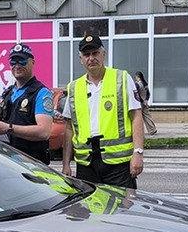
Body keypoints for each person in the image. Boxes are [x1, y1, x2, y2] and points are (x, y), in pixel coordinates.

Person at [60, 35, 145, 188]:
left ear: (103, 55)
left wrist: (138, 152)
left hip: (118, 164)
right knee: (90, 209)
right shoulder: (74, 87)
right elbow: (69, 128)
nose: (91, 58)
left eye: (95, 53)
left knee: (123, 208)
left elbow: (136, 116)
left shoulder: (122, 79)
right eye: (86, 55)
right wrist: (66, 163)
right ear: (81, 59)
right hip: (86, 164)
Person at [0, 43, 54, 164]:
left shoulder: (41, 93)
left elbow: (44, 132)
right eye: (13, 63)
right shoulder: (6, 94)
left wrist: (9, 128)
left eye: (22, 62)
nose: (17, 66)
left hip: (32, 165)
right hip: (4, 162)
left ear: (32, 63)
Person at [133, 71, 158, 136]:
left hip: (140, 103)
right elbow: (148, 93)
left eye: (136, 76)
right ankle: (153, 129)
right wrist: (146, 100)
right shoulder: (145, 84)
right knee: (147, 116)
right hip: (145, 102)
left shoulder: (138, 84)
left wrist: (142, 101)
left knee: (137, 117)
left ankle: (137, 130)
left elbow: (137, 94)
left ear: (137, 77)